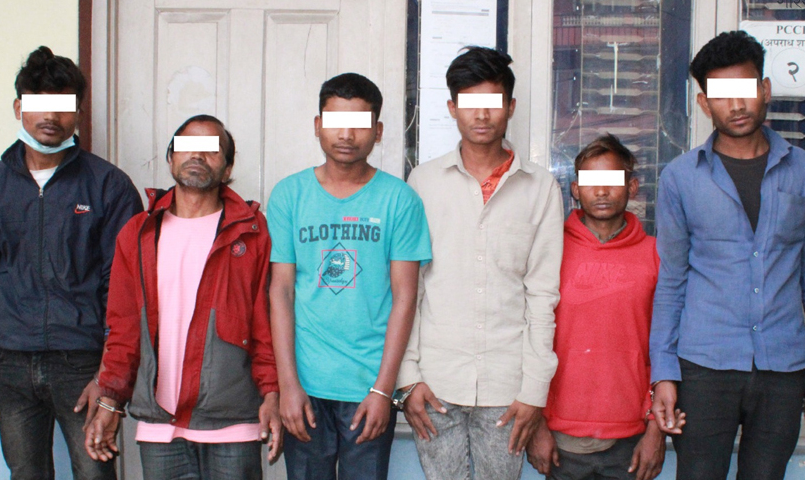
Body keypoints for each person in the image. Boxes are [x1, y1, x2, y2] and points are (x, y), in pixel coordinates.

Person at [650, 30, 805, 480]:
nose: (736, 105)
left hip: (784, 365)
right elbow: (672, 280)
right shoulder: (680, 178)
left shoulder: (804, 171)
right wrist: (664, 372)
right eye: (722, 95)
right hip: (704, 366)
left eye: (746, 90)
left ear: (765, 90)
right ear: (705, 104)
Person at [0, 46, 142, 479]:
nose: (51, 116)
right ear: (19, 107)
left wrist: (109, 379)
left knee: (95, 474)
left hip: (83, 360)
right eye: (40, 104)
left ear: (79, 114)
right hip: (10, 361)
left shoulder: (109, 187)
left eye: (64, 106)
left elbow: (125, 290)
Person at [397, 46, 563, 480]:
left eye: (493, 103)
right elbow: (409, 288)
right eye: (470, 103)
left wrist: (534, 390)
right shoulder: (423, 182)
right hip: (435, 382)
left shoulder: (540, 188)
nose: (482, 115)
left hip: (508, 388)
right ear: (452, 108)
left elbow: (542, 295)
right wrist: (407, 378)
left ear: (510, 107)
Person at [84, 115, 281, 479]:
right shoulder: (138, 233)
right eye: (188, 146)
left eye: (211, 149)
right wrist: (110, 400)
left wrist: (272, 393)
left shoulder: (251, 232)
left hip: (232, 423)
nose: (198, 156)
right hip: (159, 428)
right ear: (170, 158)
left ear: (228, 168)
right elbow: (124, 328)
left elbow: (264, 323)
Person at [267, 72, 431, 480]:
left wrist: (383, 390)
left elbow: (405, 299)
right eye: (336, 122)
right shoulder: (289, 195)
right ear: (318, 125)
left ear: (378, 131)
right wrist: (288, 385)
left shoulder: (400, 200)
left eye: (359, 124)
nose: (346, 134)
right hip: (305, 387)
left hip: (368, 387)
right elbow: (281, 292)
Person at [527, 134, 667, 480]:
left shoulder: (656, 255)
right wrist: (535, 426)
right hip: (559, 435)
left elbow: (666, 347)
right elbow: (526, 337)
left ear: (632, 187)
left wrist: (656, 430)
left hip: (631, 437)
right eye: (591, 181)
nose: (601, 191)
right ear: (575, 189)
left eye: (612, 181)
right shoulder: (549, 250)